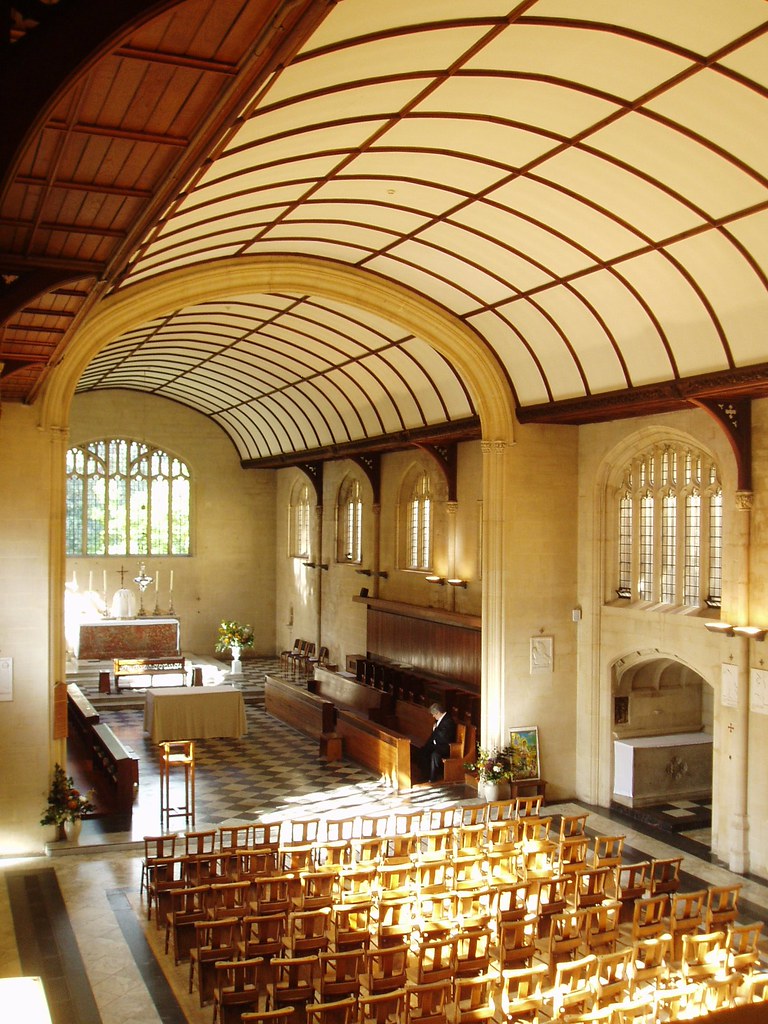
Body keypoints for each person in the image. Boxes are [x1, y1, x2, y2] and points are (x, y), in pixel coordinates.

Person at [418, 701, 457, 782]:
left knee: (434, 755)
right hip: (437, 744)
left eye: (434, 714)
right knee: (423, 751)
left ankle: (433, 778)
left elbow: (443, 736)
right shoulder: (440, 719)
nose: (433, 716)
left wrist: (435, 729)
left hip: (445, 746)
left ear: (438, 712)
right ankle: (425, 776)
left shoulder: (448, 721)